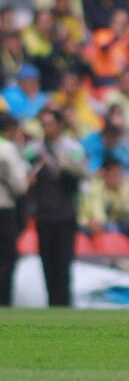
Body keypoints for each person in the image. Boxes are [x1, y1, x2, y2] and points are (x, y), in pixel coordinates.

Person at [24, 108, 87, 306]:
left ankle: (64, 304)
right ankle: (52, 303)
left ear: (59, 125)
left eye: (49, 124)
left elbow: (83, 172)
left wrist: (64, 163)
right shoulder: (34, 150)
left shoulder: (72, 148)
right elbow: (23, 171)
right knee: (47, 263)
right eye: (43, 125)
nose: (46, 128)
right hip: (44, 214)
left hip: (65, 214)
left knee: (63, 263)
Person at [0, 111, 28, 306]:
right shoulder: (8, 148)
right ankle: (4, 302)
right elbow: (20, 186)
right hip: (4, 209)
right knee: (6, 260)